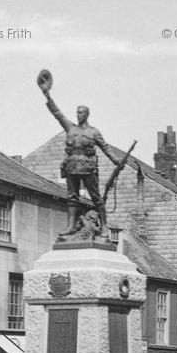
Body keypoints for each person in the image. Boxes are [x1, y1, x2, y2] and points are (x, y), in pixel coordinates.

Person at [38, 70, 119, 238]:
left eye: (81, 112)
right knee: (72, 198)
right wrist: (47, 95)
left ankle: (104, 227)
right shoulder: (70, 128)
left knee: (96, 198)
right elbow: (57, 113)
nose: (78, 114)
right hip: (71, 166)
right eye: (77, 112)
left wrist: (115, 160)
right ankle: (70, 226)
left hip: (88, 168)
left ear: (87, 114)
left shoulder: (93, 132)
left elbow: (105, 147)